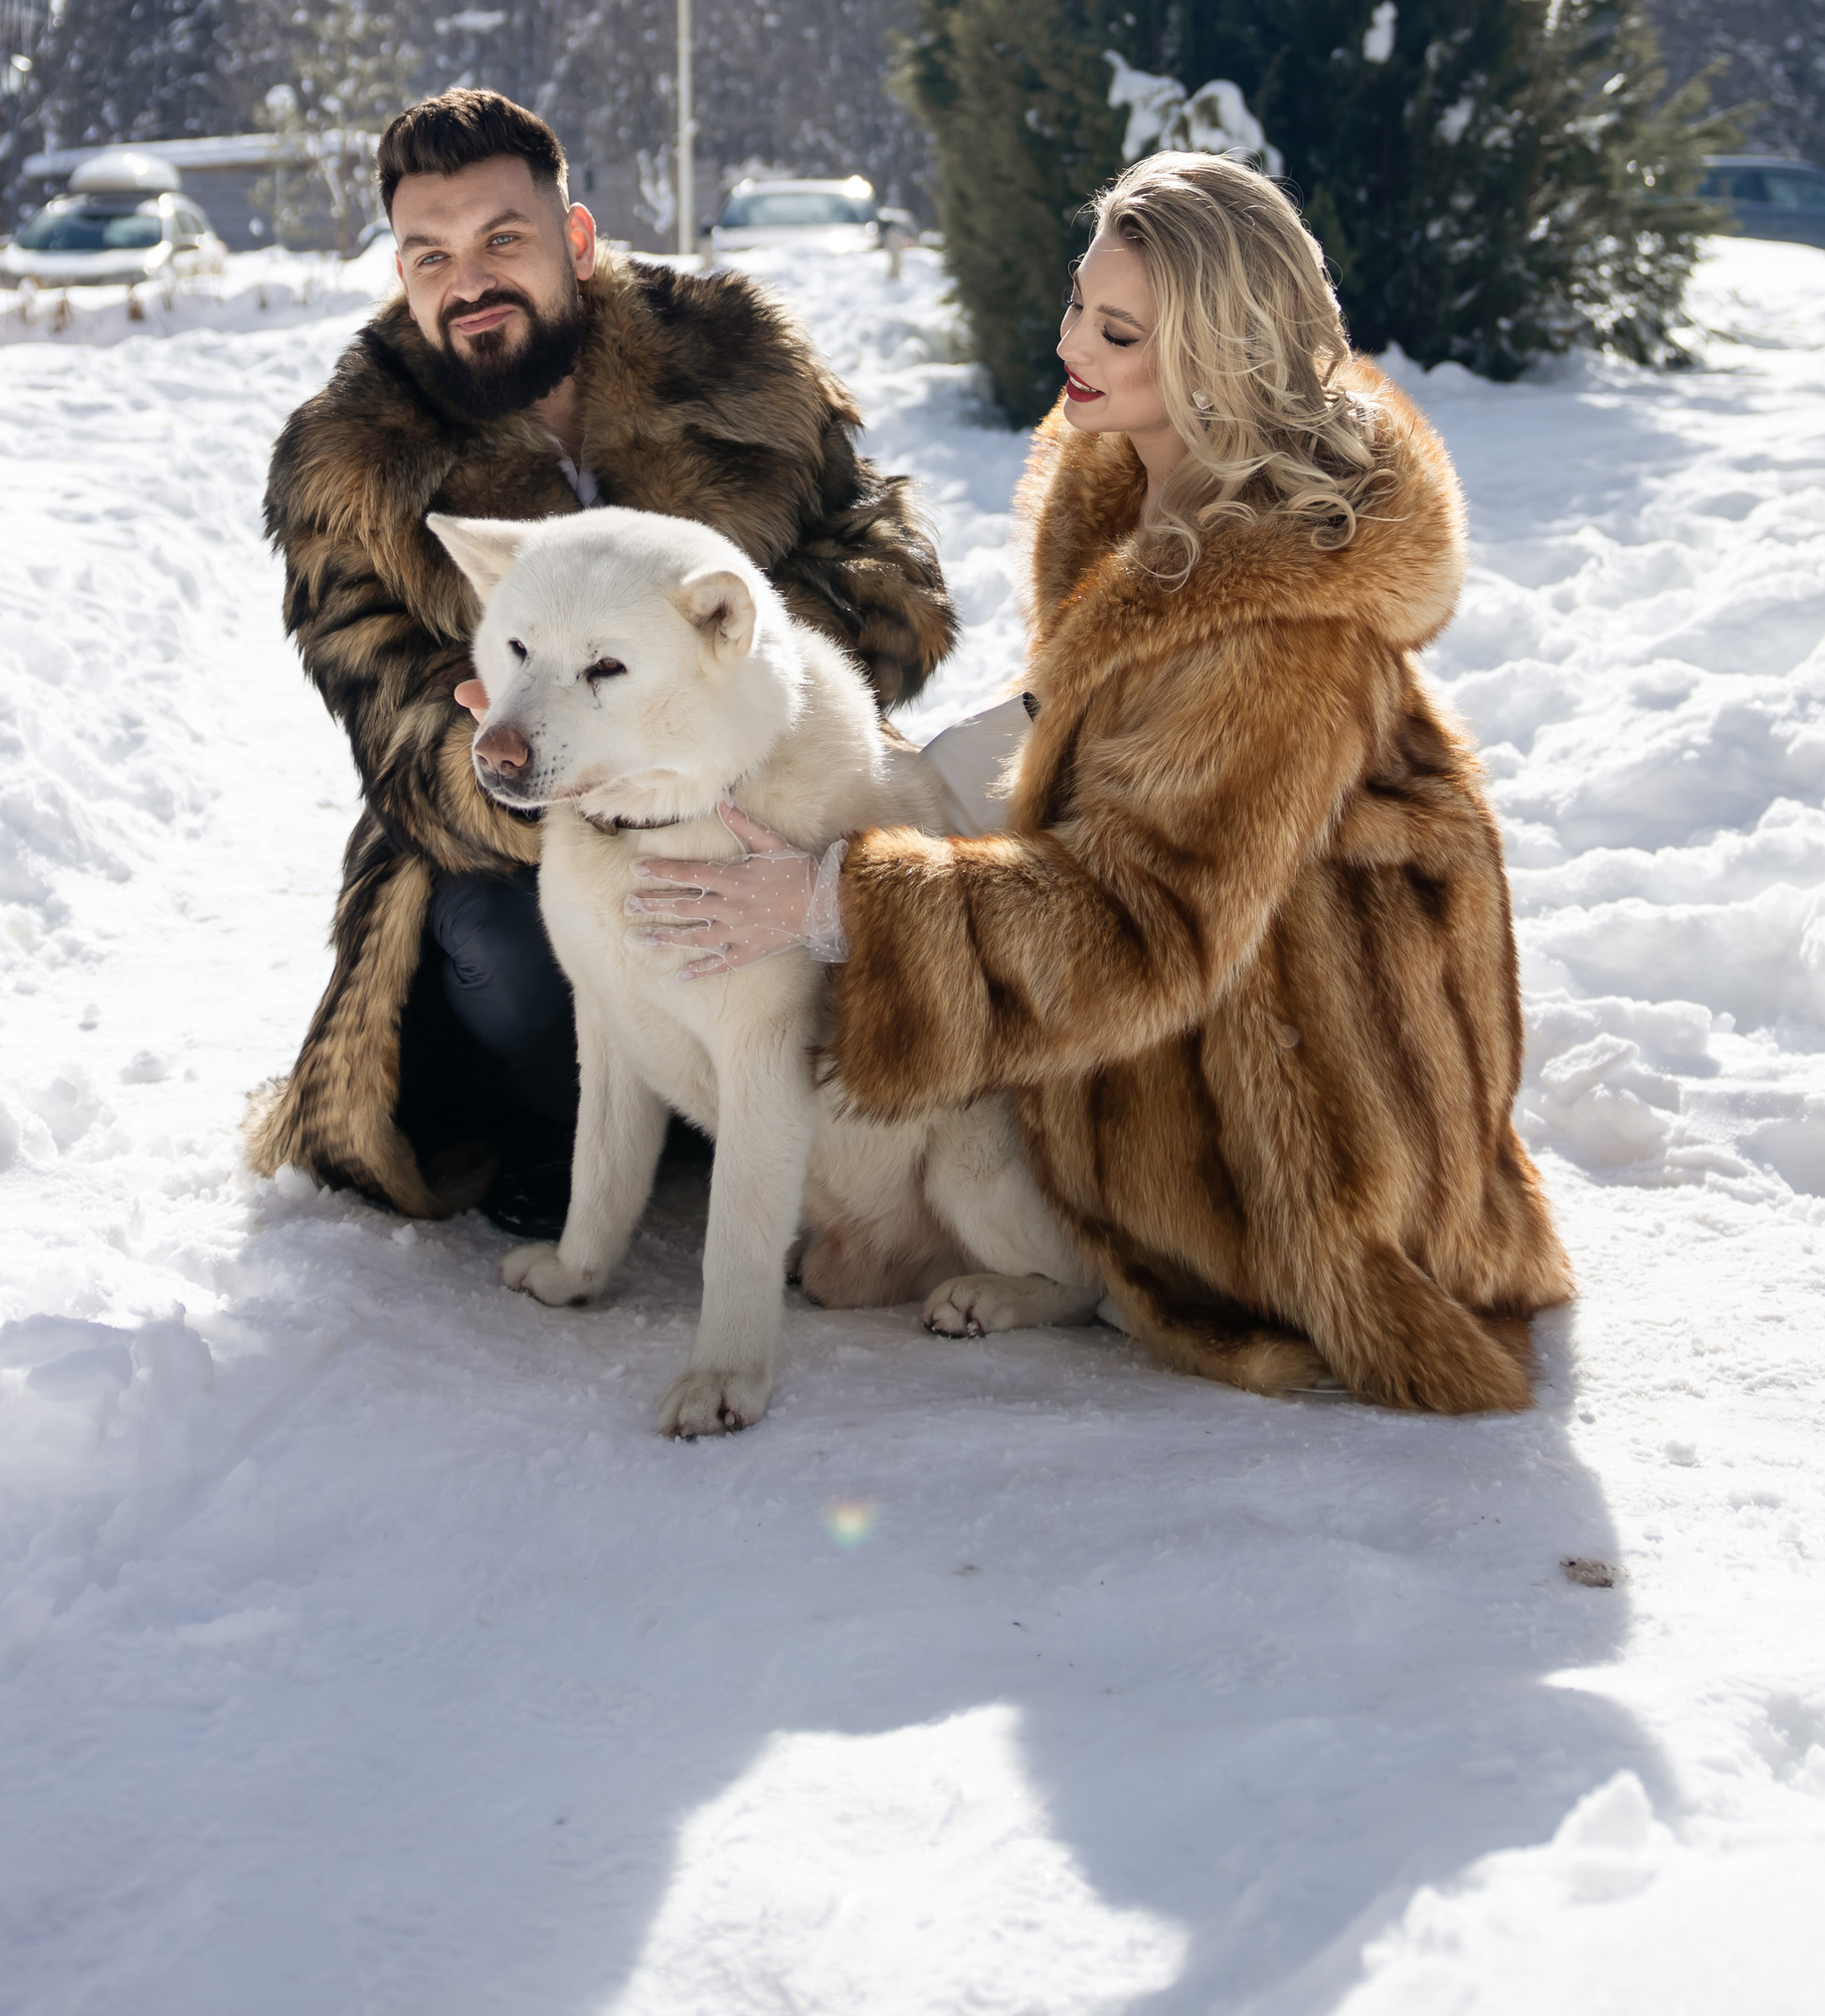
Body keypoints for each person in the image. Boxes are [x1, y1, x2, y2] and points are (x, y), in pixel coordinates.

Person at [634, 150, 1573, 1411]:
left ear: (1216, 361)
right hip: (1212, 1008)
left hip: (1293, 1133)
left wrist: (839, 902)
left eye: (1117, 328)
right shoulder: (1141, 488)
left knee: (876, 1053)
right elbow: (1086, 742)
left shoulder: (1273, 630)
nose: (1073, 339)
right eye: (1080, 300)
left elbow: (1147, 924)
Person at [248, 87, 955, 1224]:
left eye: (501, 240)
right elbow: (399, 725)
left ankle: (842, 1122)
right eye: (428, 256)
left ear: (575, 240)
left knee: (906, 880)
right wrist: (552, 750)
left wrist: (742, 713)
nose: (466, 281)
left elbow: (882, 560)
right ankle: (566, 1123)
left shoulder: (735, 356)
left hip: (778, 785)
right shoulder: (354, 461)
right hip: (531, 839)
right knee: (504, 950)